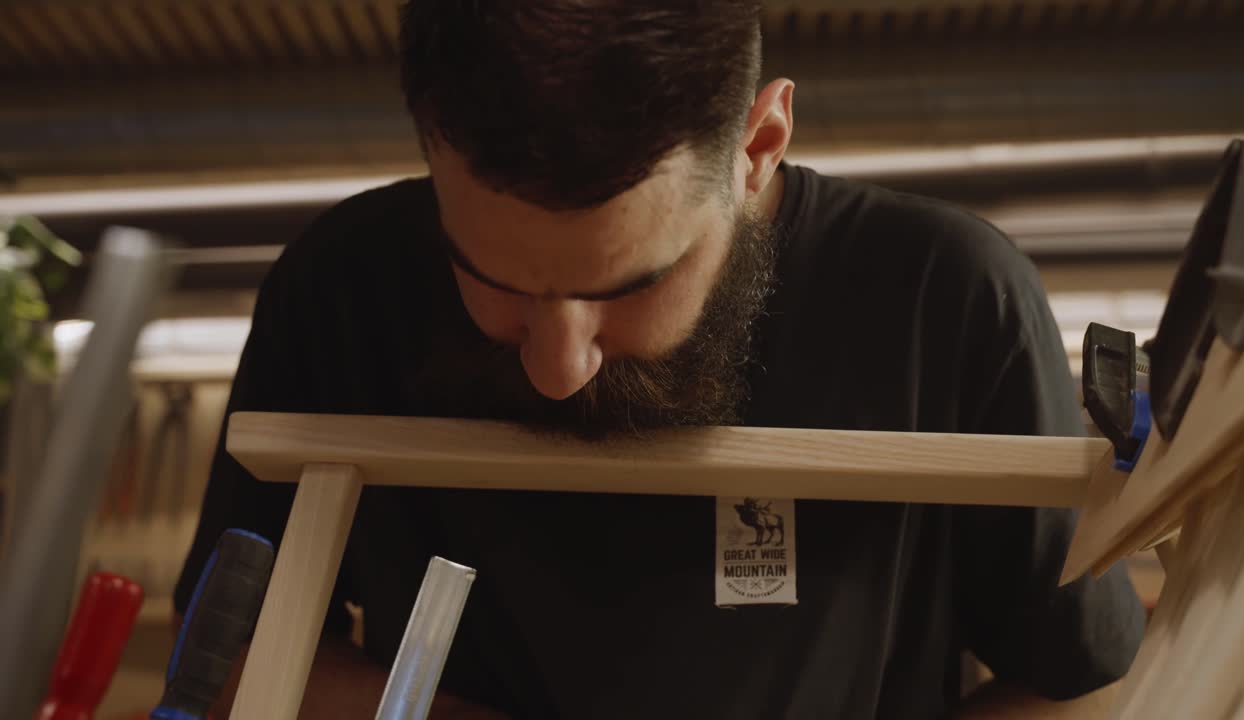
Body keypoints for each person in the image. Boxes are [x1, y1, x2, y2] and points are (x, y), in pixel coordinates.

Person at [175, 1, 1146, 718]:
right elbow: (223, 656)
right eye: (493, 280)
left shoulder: (944, 294)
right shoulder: (338, 287)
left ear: (758, 146)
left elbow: (1083, 689)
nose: (560, 368)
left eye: (629, 284)